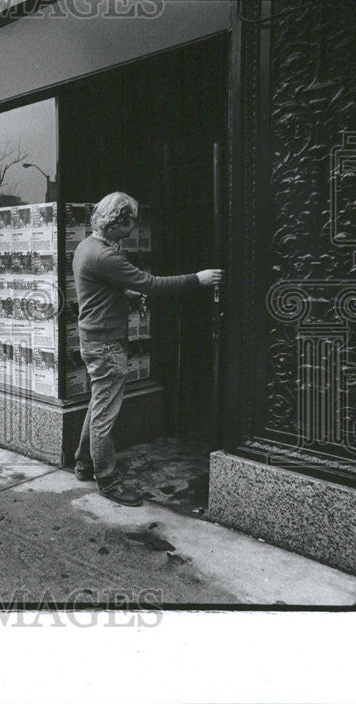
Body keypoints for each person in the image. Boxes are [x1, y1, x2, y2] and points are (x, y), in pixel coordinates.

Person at [72, 192, 223, 506]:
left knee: (98, 406)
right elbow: (152, 284)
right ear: (118, 221)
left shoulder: (87, 247)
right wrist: (198, 278)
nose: (134, 226)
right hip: (107, 344)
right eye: (131, 221)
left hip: (94, 340)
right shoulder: (106, 256)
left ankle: (84, 464)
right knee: (104, 415)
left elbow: (102, 289)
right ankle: (108, 481)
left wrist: (122, 293)